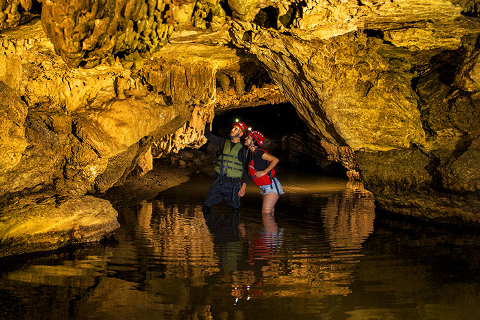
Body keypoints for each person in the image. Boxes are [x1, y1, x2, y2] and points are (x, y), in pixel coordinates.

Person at [203, 119, 250, 213]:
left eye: (236, 129)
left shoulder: (244, 150)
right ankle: (210, 227)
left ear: (240, 134)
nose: (232, 130)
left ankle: (233, 227)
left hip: (234, 184)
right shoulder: (223, 142)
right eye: (233, 128)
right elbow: (207, 135)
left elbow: (245, 169)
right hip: (219, 180)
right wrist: (208, 122)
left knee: (235, 210)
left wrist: (244, 186)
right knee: (206, 207)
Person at [244, 130, 284, 215]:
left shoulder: (259, 153)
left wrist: (264, 172)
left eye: (248, 137)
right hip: (265, 187)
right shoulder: (252, 154)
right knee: (269, 214)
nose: (245, 138)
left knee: (265, 214)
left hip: (271, 187)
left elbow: (275, 160)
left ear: (254, 141)